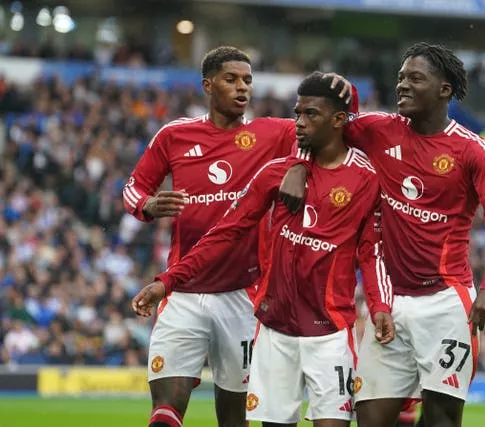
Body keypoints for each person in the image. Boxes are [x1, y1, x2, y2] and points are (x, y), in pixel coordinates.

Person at [132, 71, 394, 426]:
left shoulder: (366, 178)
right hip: (273, 331)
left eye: (309, 115)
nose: (298, 123)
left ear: (338, 120)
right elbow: (225, 232)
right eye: (297, 113)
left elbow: (371, 250)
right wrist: (168, 281)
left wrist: (379, 306)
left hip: (329, 332)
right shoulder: (275, 173)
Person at [280, 42, 485, 427]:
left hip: (445, 304)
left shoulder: (472, 150)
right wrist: (298, 164)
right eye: (400, 78)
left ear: (444, 90)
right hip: (389, 304)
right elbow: (320, 124)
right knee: (369, 419)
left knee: (442, 418)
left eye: (415, 78)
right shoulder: (378, 130)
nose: (402, 86)